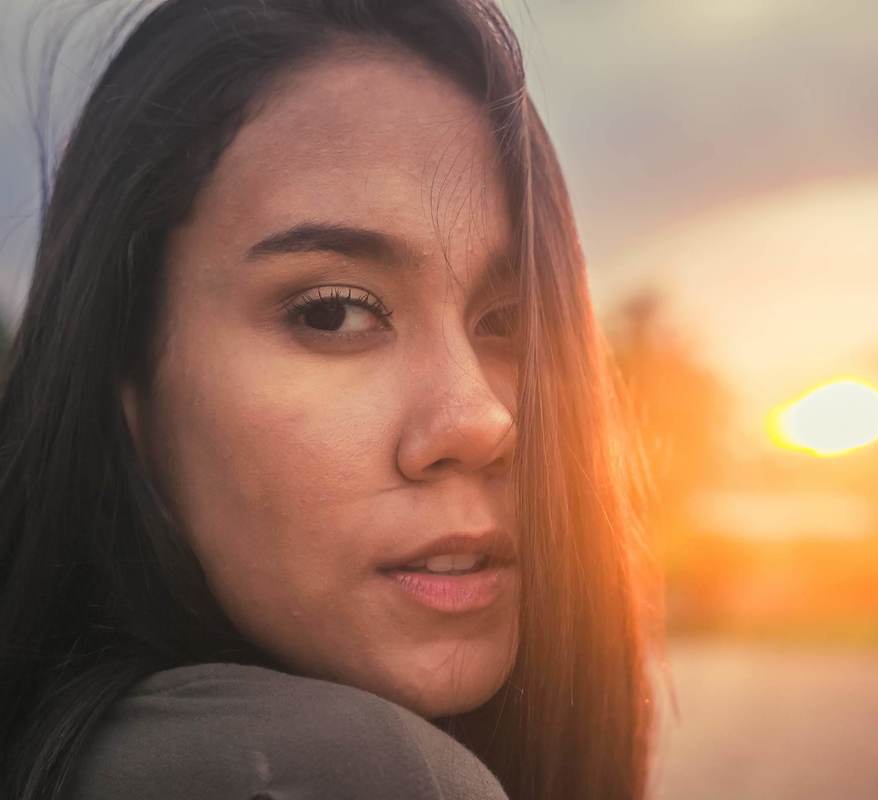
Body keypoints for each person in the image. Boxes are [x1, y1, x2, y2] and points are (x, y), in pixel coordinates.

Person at [0, 1, 663, 798]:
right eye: (333, 311)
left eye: (509, 320)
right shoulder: (353, 770)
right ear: (128, 383)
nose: (481, 421)